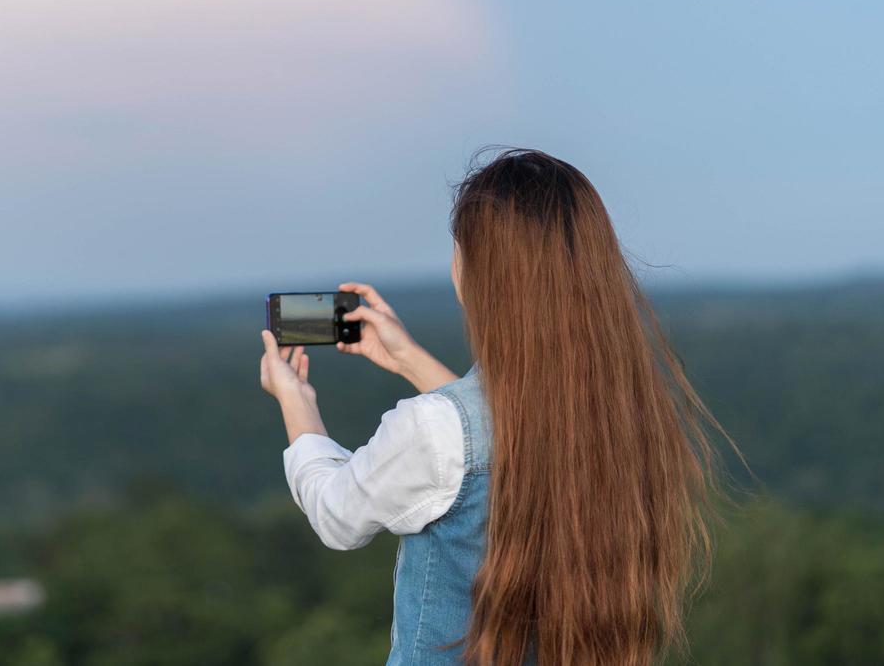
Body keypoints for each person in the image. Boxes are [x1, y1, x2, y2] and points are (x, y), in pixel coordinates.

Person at [259, 148, 727, 666]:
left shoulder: (432, 428)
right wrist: (408, 358)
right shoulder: (624, 414)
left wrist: (297, 405)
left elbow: (336, 514)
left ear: (480, 272)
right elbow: (500, 432)